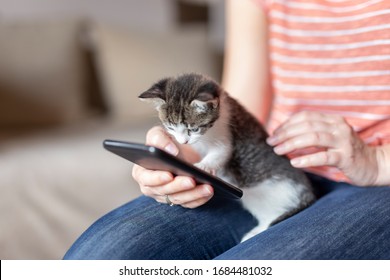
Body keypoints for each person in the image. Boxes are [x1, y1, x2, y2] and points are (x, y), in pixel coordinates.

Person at [64, 0, 390, 259]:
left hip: (379, 182)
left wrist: (375, 161)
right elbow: (233, 113)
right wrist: (178, 159)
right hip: (269, 165)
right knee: (101, 258)